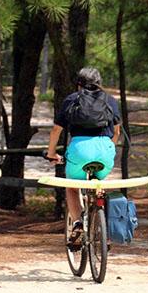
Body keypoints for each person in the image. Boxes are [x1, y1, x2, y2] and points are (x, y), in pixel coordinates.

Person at [46, 67, 121, 245]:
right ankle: (104, 230)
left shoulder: (71, 100)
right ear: (99, 83)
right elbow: (116, 132)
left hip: (79, 150)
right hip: (105, 149)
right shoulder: (110, 100)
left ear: (78, 84)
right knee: (99, 183)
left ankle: (78, 224)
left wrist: (51, 153)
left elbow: (56, 130)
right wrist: (108, 150)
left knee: (72, 187)